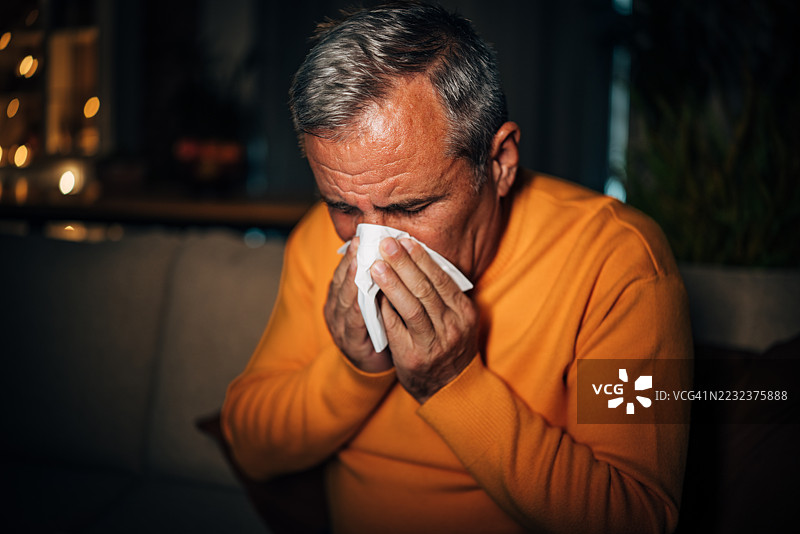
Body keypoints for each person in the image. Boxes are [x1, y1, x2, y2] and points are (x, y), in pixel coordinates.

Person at [222, 2, 692, 533]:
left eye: (412, 208)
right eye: (345, 206)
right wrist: (355, 370)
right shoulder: (315, 238)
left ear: (500, 162)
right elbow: (250, 445)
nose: (375, 244)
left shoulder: (618, 259)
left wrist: (454, 384)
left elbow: (640, 517)